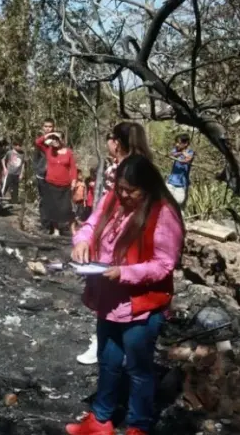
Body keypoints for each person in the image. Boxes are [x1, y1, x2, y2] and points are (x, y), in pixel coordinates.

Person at [66, 155, 184, 435]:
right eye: (121, 188)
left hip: (140, 306)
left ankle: (138, 425)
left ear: (147, 187)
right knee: (108, 361)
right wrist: (81, 242)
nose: (124, 195)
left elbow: (164, 264)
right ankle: (101, 419)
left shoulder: (163, 213)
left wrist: (125, 273)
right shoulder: (112, 200)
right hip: (110, 300)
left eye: (131, 191)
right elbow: (91, 225)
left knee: (138, 368)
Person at [78, 122, 153, 366]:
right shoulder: (146, 167)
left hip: (124, 254)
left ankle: (106, 346)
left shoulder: (122, 172)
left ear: (117, 142)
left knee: (117, 307)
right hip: (124, 253)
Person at [35, 131, 78, 236]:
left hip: (65, 186)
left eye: (57, 138)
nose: (55, 141)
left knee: (68, 209)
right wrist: (49, 134)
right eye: (53, 139)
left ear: (62, 140)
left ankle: (74, 231)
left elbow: (73, 168)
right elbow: (37, 142)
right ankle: (56, 230)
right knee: (53, 209)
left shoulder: (68, 152)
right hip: (51, 184)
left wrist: (74, 181)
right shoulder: (48, 150)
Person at [34, 118, 56, 231]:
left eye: (50, 126)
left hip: (53, 175)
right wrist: (37, 171)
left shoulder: (57, 141)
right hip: (42, 174)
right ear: (43, 128)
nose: (48, 128)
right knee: (44, 200)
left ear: (53, 127)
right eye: (46, 126)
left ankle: (52, 224)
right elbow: (37, 145)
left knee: (53, 200)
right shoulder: (41, 142)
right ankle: (45, 225)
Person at [166, 133, 194, 208]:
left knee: (179, 202)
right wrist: (180, 153)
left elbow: (188, 159)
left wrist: (184, 154)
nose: (177, 144)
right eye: (176, 142)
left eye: (179, 142)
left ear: (186, 143)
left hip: (182, 183)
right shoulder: (177, 150)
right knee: (166, 199)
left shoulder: (190, 152)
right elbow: (170, 154)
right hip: (171, 181)